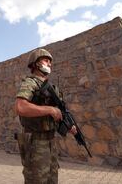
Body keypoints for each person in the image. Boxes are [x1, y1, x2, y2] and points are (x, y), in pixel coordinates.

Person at [14, 48, 76, 184]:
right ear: (36, 63)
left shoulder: (51, 88)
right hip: (35, 142)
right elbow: (20, 107)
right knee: (37, 180)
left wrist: (68, 126)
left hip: (50, 142)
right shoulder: (30, 83)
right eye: (46, 60)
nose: (49, 64)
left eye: (50, 62)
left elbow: (59, 113)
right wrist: (49, 110)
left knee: (52, 179)